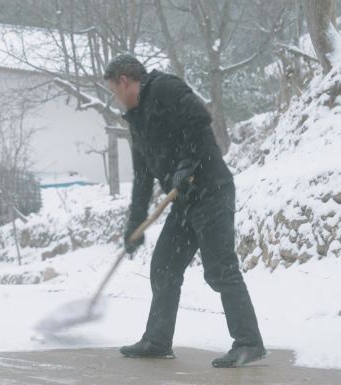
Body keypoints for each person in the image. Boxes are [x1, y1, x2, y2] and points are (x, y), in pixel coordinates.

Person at [104, 54, 266, 368]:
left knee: (219, 268)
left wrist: (186, 165)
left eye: (113, 89)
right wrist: (134, 224)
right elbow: (142, 177)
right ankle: (158, 340)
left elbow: (199, 120)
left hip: (211, 190)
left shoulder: (164, 88)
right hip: (184, 201)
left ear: (124, 80)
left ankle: (249, 342)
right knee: (164, 265)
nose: (116, 97)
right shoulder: (136, 120)